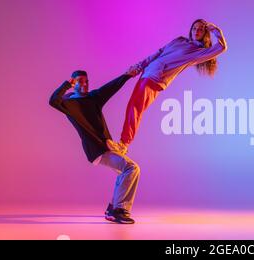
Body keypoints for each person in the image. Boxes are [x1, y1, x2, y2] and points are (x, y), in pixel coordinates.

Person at [107, 19, 228, 155]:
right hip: (146, 73)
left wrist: (215, 29)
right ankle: (123, 143)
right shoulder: (179, 41)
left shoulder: (198, 52)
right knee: (132, 106)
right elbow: (158, 53)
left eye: (200, 29)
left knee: (135, 107)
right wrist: (140, 66)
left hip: (156, 79)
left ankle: (124, 144)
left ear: (205, 33)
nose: (196, 31)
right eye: (194, 28)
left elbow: (222, 47)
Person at [49, 67, 142, 224]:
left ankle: (112, 208)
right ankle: (118, 210)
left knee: (124, 171)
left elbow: (110, 88)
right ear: (74, 83)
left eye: (86, 82)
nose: (84, 85)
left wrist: (126, 76)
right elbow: (53, 101)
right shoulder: (69, 104)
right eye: (80, 82)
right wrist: (67, 85)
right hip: (96, 150)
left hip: (108, 147)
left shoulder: (94, 98)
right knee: (131, 168)